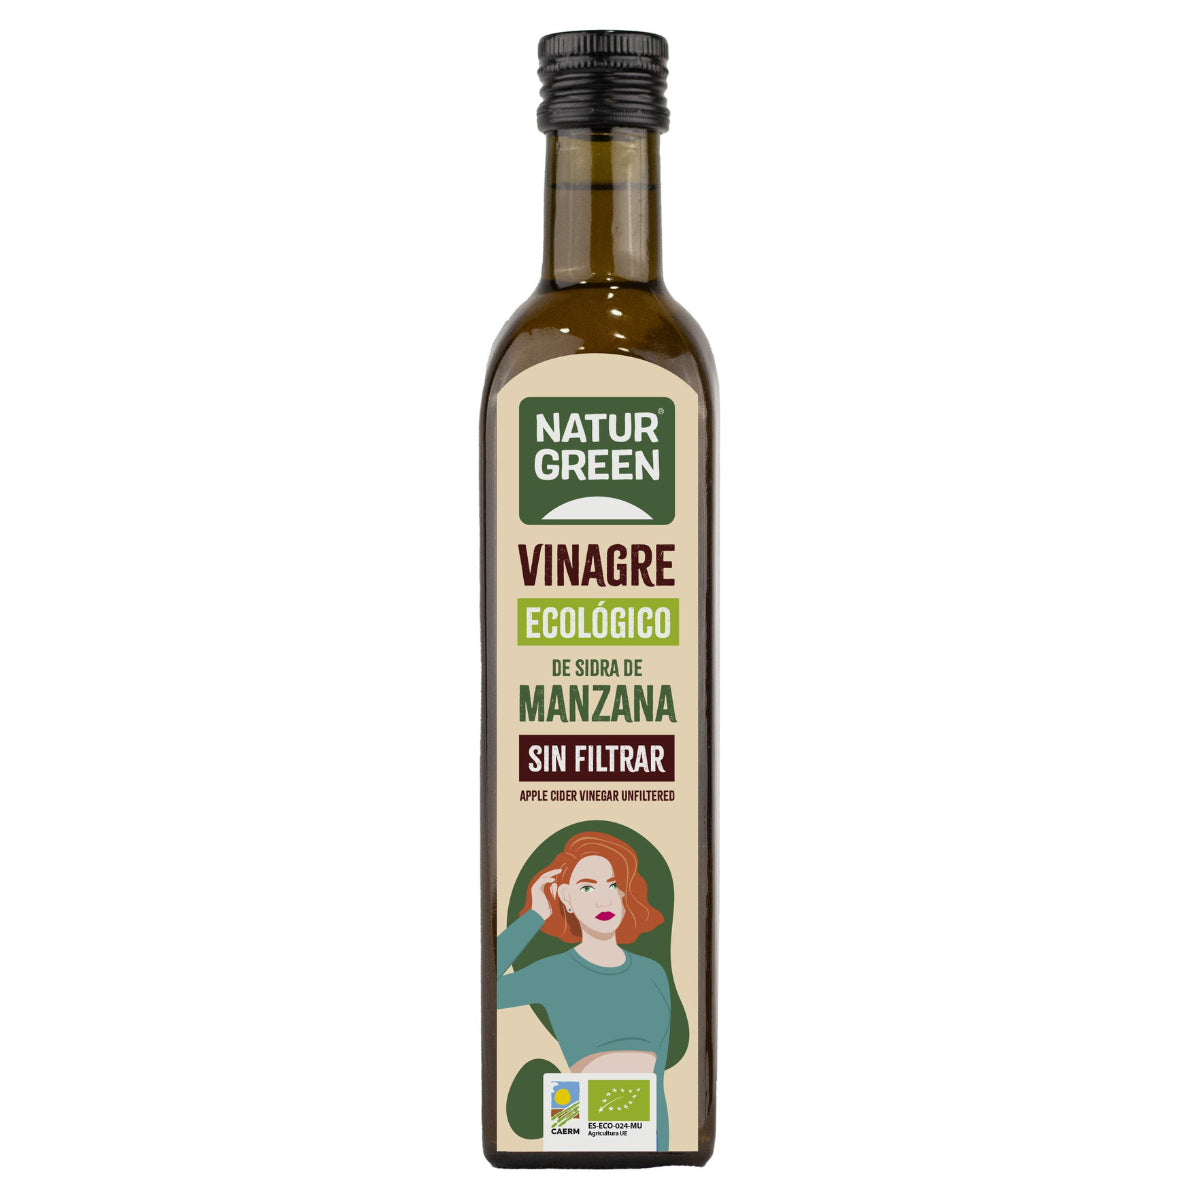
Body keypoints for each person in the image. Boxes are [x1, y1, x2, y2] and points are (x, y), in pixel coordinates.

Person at [496, 830, 672, 1150]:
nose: (604, 899)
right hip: (582, 1131)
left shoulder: (652, 973)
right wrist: (535, 915)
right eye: (587, 888)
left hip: (645, 1136)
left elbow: (657, 1080)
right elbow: (482, 988)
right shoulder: (553, 973)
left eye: (612, 885)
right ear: (566, 898)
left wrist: (662, 1151)